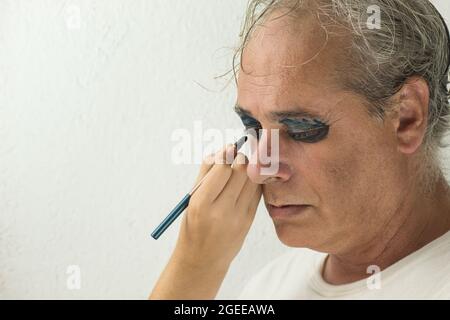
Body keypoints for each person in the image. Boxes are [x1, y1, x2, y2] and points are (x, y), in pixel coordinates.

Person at [149, 0, 450, 299]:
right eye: (252, 127)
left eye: (301, 128)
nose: (258, 169)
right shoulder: (268, 287)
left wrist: (196, 267)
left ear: (406, 117)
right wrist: (196, 264)